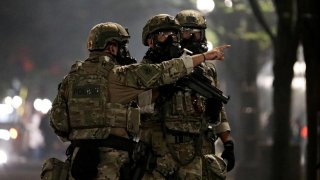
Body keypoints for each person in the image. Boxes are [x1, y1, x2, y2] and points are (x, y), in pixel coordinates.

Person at [46, 21, 229, 180]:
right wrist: (204, 57)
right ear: (111, 47)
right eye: (122, 45)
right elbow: (163, 71)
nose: (124, 51)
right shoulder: (119, 75)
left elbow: (58, 123)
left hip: (78, 161)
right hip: (113, 162)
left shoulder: (70, 80)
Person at [138, 13, 231, 179]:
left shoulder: (203, 69)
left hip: (197, 150)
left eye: (173, 35)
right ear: (151, 41)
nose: (170, 39)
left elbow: (217, 109)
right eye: (163, 35)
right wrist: (163, 90)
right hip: (161, 151)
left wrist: (228, 142)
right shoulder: (147, 69)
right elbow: (139, 107)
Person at [176, 9, 235, 179]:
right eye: (187, 33)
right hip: (169, 145)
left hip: (201, 145)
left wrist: (228, 143)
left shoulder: (208, 70)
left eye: (197, 33)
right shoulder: (167, 66)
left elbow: (219, 108)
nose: (193, 38)